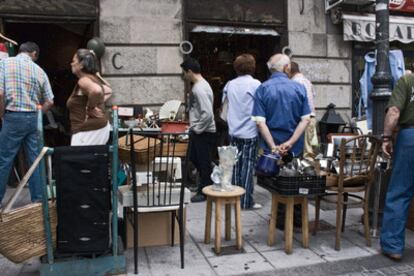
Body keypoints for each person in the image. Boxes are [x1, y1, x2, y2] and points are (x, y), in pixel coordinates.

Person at [252, 53, 311, 228]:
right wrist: (291, 142)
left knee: (276, 183)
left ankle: (279, 219)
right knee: (295, 180)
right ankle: (298, 220)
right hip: (295, 145)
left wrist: (273, 146)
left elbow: (260, 122)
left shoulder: (262, 89)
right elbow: (305, 119)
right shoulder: (299, 88)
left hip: (272, 147)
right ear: (287, 68)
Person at [0, 41, 54, 206]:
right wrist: (38, 114)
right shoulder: (39, 70)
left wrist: (1, 114)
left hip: (13, 116)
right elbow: (50, 101)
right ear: (34, 54)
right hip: (32, 119)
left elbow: (0, 93)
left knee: (4, 159)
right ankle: (38, 200)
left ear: (20, 51)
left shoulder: (4, 64)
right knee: (36, 160)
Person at [380, 73, 414, 261]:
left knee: (400, 191)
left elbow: (393, 111)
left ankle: (393, 246)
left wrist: (386, 137)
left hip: (411, 137)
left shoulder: (408, 81)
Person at [222, 54, 261, 209]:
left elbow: (224, 109)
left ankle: (235, 198)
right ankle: (245, 202)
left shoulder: (229, 84)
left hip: (233, 130)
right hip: (250, 131)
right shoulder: (256, 84)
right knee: (248, 166)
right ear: (252, 67)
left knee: (236, 165)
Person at [180, 58, 216, 203]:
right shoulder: (201, 85)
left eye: (184, 73)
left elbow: (207, 113)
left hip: (203, 131)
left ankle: (205, 189)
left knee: (202, 160)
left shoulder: (199, 88)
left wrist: (197, 129)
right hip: (202, 130)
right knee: (196, 158)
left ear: (189, 71)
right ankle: (206, 181)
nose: (183, 76)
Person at [67, 49, 112, 146]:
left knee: (78, 160)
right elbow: (108, 91)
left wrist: (90, 107)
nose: (71, 64)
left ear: (81, 65)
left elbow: (96, 90)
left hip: (87, 130)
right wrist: (97, 103)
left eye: (74, 61)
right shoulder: (92, 79)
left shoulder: (83, 80)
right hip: (98, 127)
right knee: (92, 160)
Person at [289, 61, 317, 160]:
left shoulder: (294, 82)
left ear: (289, 71)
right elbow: (313, 96)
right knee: (307, 148)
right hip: (311, 116)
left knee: (301, 149)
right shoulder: (307, 81)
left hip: (302, 118)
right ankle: (307, 168)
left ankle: (304, 171)